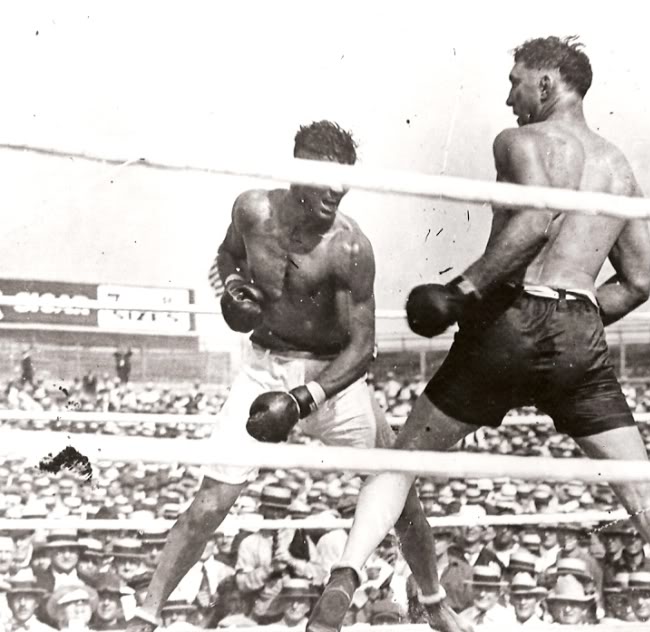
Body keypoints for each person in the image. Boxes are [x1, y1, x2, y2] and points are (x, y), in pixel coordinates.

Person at [309, 36, 650, 632]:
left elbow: (536, 221)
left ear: (547, 82)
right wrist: (576, 319)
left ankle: (346, 576)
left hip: (510, 318)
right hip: (579, 334)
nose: (507, 96)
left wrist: (463, 294)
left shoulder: (520, 141)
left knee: (404, 456)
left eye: (516, 81)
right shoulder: (619, 167)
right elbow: (637, 283)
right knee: (646, 500)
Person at [127, 121, 464, 632]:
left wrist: (305, 397)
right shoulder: (250, 210)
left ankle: (434, 599)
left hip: (333, 380)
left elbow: (363, 346)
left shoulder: (350, 247)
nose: (336, 190)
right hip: (264, 368)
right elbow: (226, 257)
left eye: (344, 179)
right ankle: (146, 615)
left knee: (398, 487)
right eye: (325, 177)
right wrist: (234, 289)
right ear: (294, 170)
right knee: (210, 501)